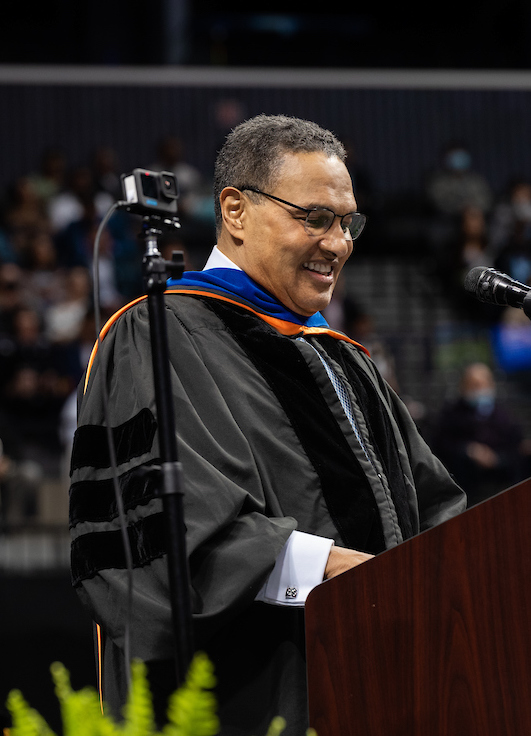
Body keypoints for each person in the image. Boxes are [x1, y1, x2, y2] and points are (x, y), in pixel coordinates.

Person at [69, 115, 466, 735]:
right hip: (252, 698)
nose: (338, 243)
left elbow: (435, 513)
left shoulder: (343, 357)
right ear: (234, 210)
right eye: (315, 218)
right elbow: (165, 538)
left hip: (384, 683)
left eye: (348, 222)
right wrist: (355, 577)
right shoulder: (157, 330)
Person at [431, 362, 525, 507]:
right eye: (473, 385)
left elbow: (515, 448)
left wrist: (496, 459)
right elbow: (441, 447)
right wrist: (469, 451)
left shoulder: (504, 416)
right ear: (463, 387)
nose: (479, 390)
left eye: (482, 384)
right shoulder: (451, 416)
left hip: (502, 489)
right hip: (465, 493)